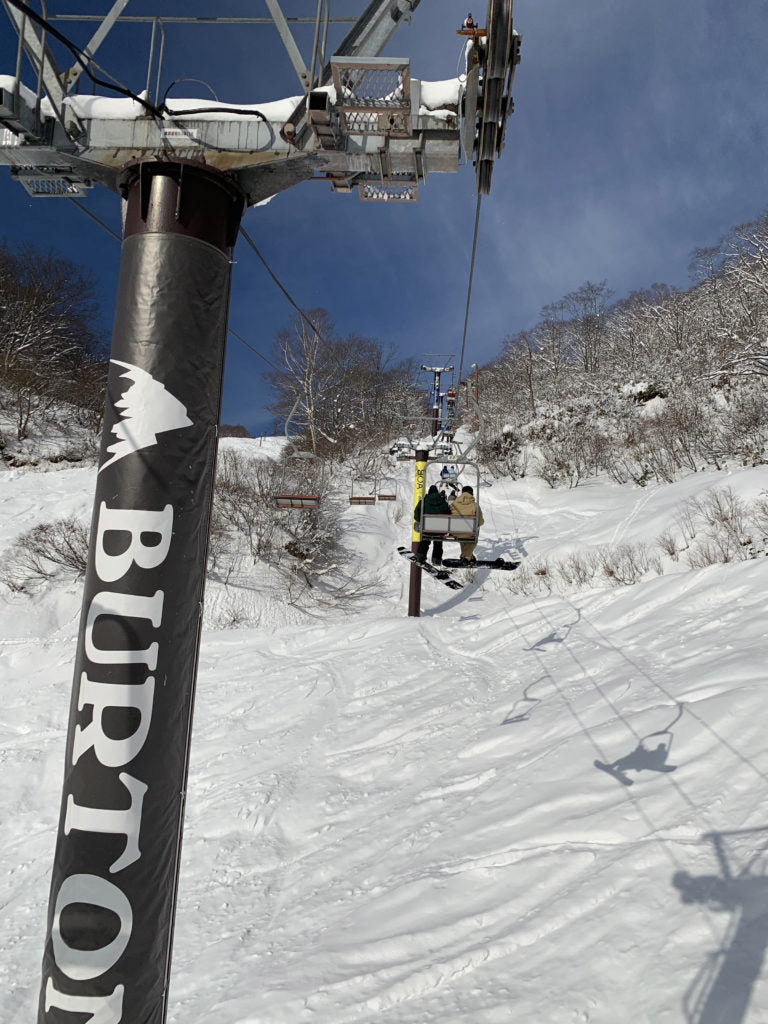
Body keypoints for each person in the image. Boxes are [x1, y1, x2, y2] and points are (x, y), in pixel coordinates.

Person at [413, 484, 451, 565]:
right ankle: (436, 559)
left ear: (429, 492)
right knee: (438, 542)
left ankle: (420, 557)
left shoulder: (423, 502)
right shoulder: (443, 502)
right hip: (440, 530)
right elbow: (448, 514)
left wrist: (419, 520)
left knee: (425, 541)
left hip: (427, 529)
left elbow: (417, 513)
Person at [450, 484, 484, 564]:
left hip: (455, 531)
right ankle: (467, 557)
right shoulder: (475, 505)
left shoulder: (454, 504)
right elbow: (480, 521)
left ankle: (468, 556)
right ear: (471, 494)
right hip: (469, 532)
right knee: (473, 537)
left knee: (463, 535)